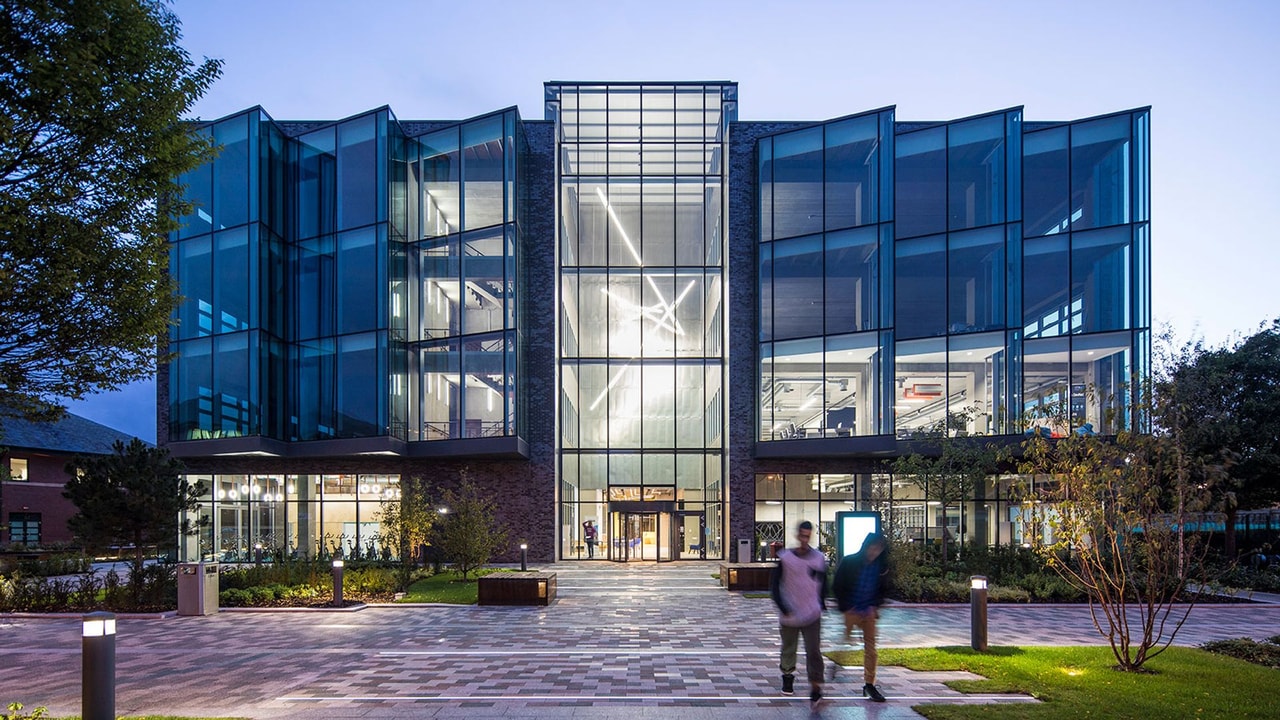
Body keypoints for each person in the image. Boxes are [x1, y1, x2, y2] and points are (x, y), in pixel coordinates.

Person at [770, 520, 828, 705]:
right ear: (797, 535)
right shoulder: (786, 558)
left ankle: (816, 685)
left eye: (808, 536)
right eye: (802, 535)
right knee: (789, 648)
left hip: (812, 612)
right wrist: (783, 606)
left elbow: (823, 582)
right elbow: (775, 586)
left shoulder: (818, 558)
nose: (804, 539)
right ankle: (788, 679)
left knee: (814, 650)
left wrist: (821, 602)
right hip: (790, 613)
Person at [833, 532, 890, 702]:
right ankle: (836, 663)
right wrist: (846, 607)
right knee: (846, 641)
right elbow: (837, 585)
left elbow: (885, 589)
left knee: (871, 649)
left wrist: (876, 606)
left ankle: (869, 684)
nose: (874, 552)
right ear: (866, 546)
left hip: (869, 611)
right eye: (872, 548)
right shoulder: (850, 562)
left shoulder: (881, 567)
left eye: (878, 549)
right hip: (852, 609)